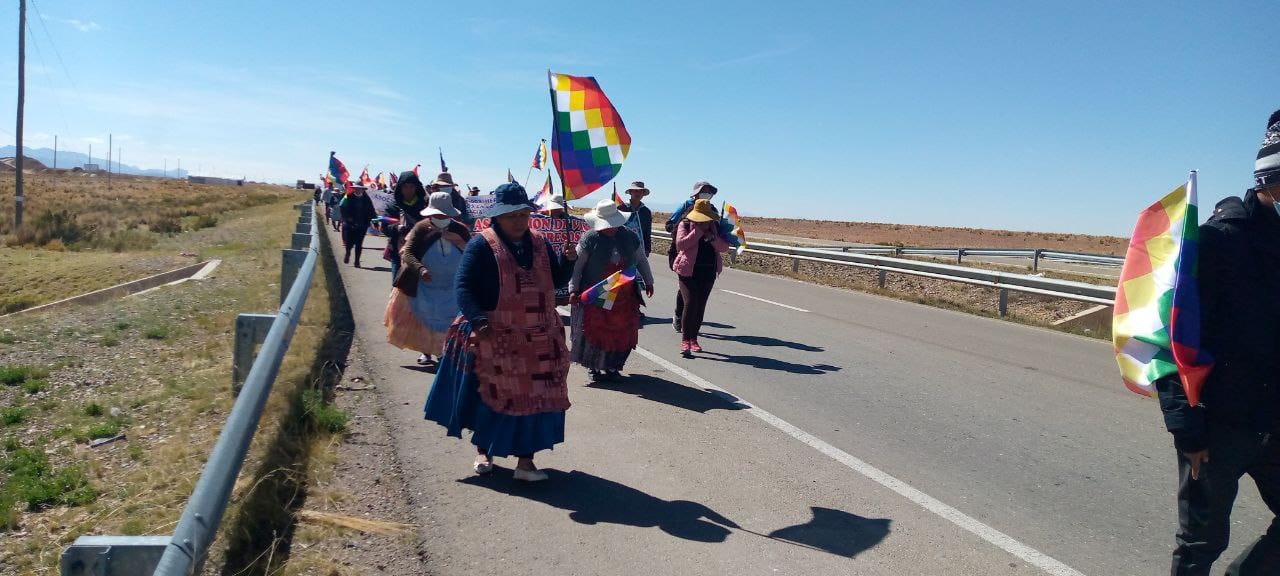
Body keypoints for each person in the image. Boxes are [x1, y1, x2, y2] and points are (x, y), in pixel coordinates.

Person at [1155, 109, 1280, 575]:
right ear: (1270, 180)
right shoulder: (1217, 243)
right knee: (1199, 546)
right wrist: (1186, 428)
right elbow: (1168, 338)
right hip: (1218, 429)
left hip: (1274, 423)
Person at [423, 182, 577, 482]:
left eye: (523, 214)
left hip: (538, 340)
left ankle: (525, 462)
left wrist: (568, 262)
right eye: (512, 216)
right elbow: (464, 287)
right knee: (491, 396)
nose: (519, 221)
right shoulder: (481, 245)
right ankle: (483, 451)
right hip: (494, 336)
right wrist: (479, 321)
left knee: (537, 398)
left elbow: (555, 278)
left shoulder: (540, 243)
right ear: (497, 217)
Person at [568, 199, 655, 382]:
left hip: (624, 295)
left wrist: (649, 281)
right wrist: (573, 289)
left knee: (621, 331)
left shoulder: (630, 237)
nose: (610, 228)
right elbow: (578, 267)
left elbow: (640, 260)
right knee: (597, 332)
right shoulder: (590, 239)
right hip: (597, 293)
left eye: (613, 225)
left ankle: (613, 366)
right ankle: (594, 367)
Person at [385, 192, 470, 366]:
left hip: (451, 285)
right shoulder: (421, 228)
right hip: (424, 285)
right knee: (425, 318)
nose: (439, 216)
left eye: (443, 213)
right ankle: (427, 352)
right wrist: (421, 269)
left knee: (449, 319)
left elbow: (471, 253)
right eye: (436, 213)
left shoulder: (460, 230)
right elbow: (408, 252)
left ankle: (442, 351)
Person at [672, 199, 729, 357]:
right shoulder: (685, 224)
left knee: (700, 306)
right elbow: (681, 245)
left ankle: (694, 339)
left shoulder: (715, 227)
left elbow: (724, 247)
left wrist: (712, 238)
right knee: (690, 303)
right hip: (687, 271)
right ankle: (685, 339)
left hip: (708, 271)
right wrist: (698, 232)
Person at [666, 181, 718, 332]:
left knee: (696, 295)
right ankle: (678, 315)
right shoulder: (685, 206)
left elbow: (718, 232)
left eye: (709, 192)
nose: (707, 194)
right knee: (685, 291)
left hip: (705, 259)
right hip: (683, 254)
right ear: (696, 193)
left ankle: (690, 329)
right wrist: (685, 229)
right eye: (704, 191)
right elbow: (670, 225)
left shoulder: (712, 210)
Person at [386, 171, 428, 282]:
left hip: (419, 252)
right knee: (397, 282)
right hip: (397, 252)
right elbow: (384, 228)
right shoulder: (393, 206)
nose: (408, 190)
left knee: (416, 286)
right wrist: (396, 227)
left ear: (416, 188)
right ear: (400, 188)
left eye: (411, 186)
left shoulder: (425, 206)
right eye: (405, 187)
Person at [339, 185, 377, 267]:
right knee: (349, 242)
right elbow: (341, 206)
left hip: (362, 225)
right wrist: (347, 218)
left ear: (363, 190)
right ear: (354, 189)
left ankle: (357, 261)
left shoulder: (366, 199)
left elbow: (372, 210)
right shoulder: (348, 196)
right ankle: (348, 253)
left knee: (359, 244)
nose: (359, 190)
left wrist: (375, 222)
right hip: (350, 224)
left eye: (360, 189)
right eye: (357, 188)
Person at [617, 181, 653, 256]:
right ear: (630, 192)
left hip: (640, 249)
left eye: (641, 191)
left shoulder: (646, 212)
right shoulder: (621, 208)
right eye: (636, 191)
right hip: (622, 248)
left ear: (643, 194)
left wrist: (647, 249)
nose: (638, 193)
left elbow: (647, 232)